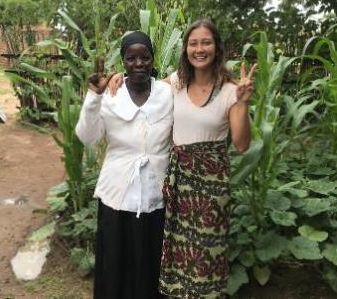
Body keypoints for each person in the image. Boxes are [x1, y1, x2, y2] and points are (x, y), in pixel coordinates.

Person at [109, 19, 256, 298]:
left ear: (217, 47)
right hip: (178, 181)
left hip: (211, 184)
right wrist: (119, 77)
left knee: (207, 254)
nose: (200, 49)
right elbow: (143, 83)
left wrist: (244, 103)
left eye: (206, 42)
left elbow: (241, 144)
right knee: (177, 252)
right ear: (186, 49)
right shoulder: (176, 83)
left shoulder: (229, 91)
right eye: (193, 43)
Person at [75, 31, 173, 299]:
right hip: (117, 194)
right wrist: (94, 96)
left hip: (156, 195)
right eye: (131, 58)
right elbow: (87, 136)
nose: (138, 63)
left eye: (145, 57)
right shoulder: (110, 95)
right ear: (123, 61)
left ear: (153, 60)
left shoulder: (167, 93)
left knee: (150, 262)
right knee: (116, 262)